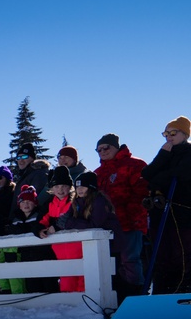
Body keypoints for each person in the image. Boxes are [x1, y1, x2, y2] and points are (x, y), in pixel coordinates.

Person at [93, 133, 149, 299]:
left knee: (130, 260)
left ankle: (136, 298)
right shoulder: (97, 173)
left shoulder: (135, 165)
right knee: (110, 262)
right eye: (98, 149)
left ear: (117, 147)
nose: (102, 151)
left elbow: (142, 193)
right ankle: (116, 299)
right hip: (107, 226)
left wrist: (124, 213)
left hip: (130, 222)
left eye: (106, 147)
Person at [142, 116, 191, 294]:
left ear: (185, 134)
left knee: (182, 254)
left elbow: (181, 174)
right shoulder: (166, 153)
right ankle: (161, 293)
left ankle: (183, 290)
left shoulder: (188, 152)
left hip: (182, 211)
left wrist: (158, 179)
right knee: (161, 255)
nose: (168, 137)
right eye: (166, 133)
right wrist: (162, 155)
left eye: (173, 133)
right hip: (161, 211)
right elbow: (147, 174)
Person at [39, 166, 84, 293]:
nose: (60, 189)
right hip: (59, 249)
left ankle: (85, 303)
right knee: (65, 275)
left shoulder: (75, 201)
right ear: (52, 188)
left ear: (70, 187)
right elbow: (41, 221)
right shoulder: (49, 204)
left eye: (64, 186)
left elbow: (73, 218)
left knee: (82, 275)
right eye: (57, 186)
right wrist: (40, 230)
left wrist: (56, 227)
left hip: (77, 247)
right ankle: (67, 303)